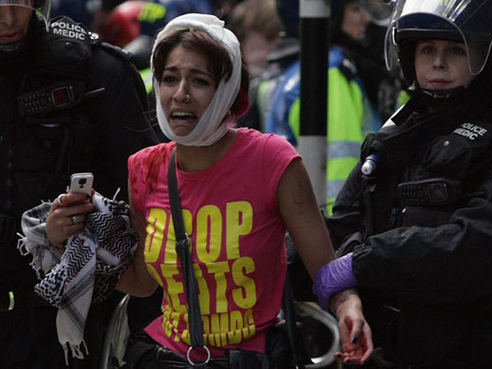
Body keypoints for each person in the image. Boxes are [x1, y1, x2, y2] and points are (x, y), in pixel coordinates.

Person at [46, 12, 373, 367]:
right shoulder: (144, 167)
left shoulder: (272, 160)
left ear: (227, 90)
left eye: (199, 81)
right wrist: (70, 241)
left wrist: (347, 305)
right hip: (165, 356)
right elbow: (143, 283)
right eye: (170, 79)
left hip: (251, 358)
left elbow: (324, 269)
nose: (181, 94)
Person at [315, 0, 492, 367]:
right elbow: (348, 222)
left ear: (487, 55)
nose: (438, 63)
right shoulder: (397, 136)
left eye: (456, 50)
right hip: (387, 349)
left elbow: (479, 240)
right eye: (427, 48)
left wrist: (364, 262)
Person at [0, 1, 159, 368]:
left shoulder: (99, 74)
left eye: (18, 2)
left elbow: (150, 211)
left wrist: (147, 338)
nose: (9, 19)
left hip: (62, 327)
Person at [250, 0, 396, 210]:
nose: (365, 18)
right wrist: (340, 228)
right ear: (329, 13)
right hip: (334, 223)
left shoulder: (289, 70)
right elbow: (339, 165)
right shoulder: (330, 73)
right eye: (355, 9)